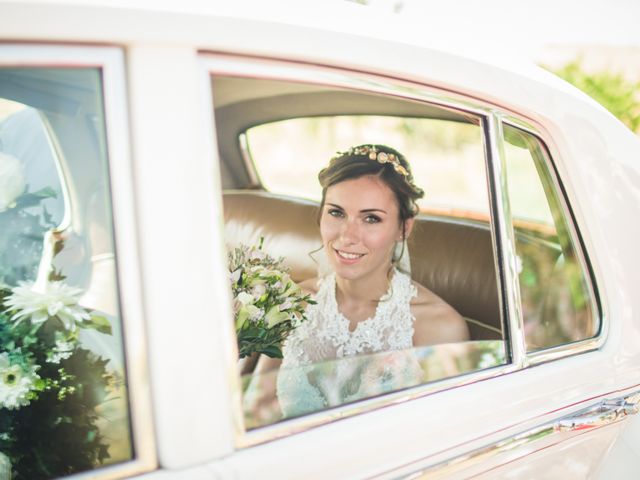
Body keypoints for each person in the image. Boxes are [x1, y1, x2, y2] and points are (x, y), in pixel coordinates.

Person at [245, 144, 469, 421]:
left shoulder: (438, 327)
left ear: (403, 228)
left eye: (371, 218)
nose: (348, 235)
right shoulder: (293, 302)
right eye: (337, 213)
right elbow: (256, 408)